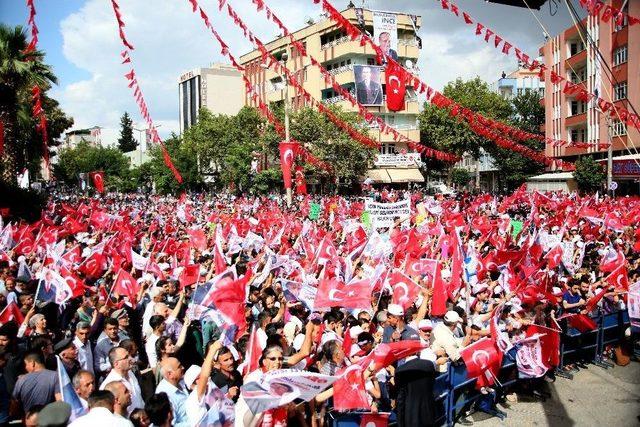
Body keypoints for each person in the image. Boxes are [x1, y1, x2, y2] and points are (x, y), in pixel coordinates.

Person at [100, 347, 145, 415]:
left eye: (129, 355)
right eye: (126, 357)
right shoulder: (107, 386)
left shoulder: (130, 373)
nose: (130, 358)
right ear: (116, 364)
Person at [155, 357, 189, 426]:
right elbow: (172, 424)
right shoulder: (165, 395)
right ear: (169, 374)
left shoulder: (181, 380)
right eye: (179, 367)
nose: (183, 367)